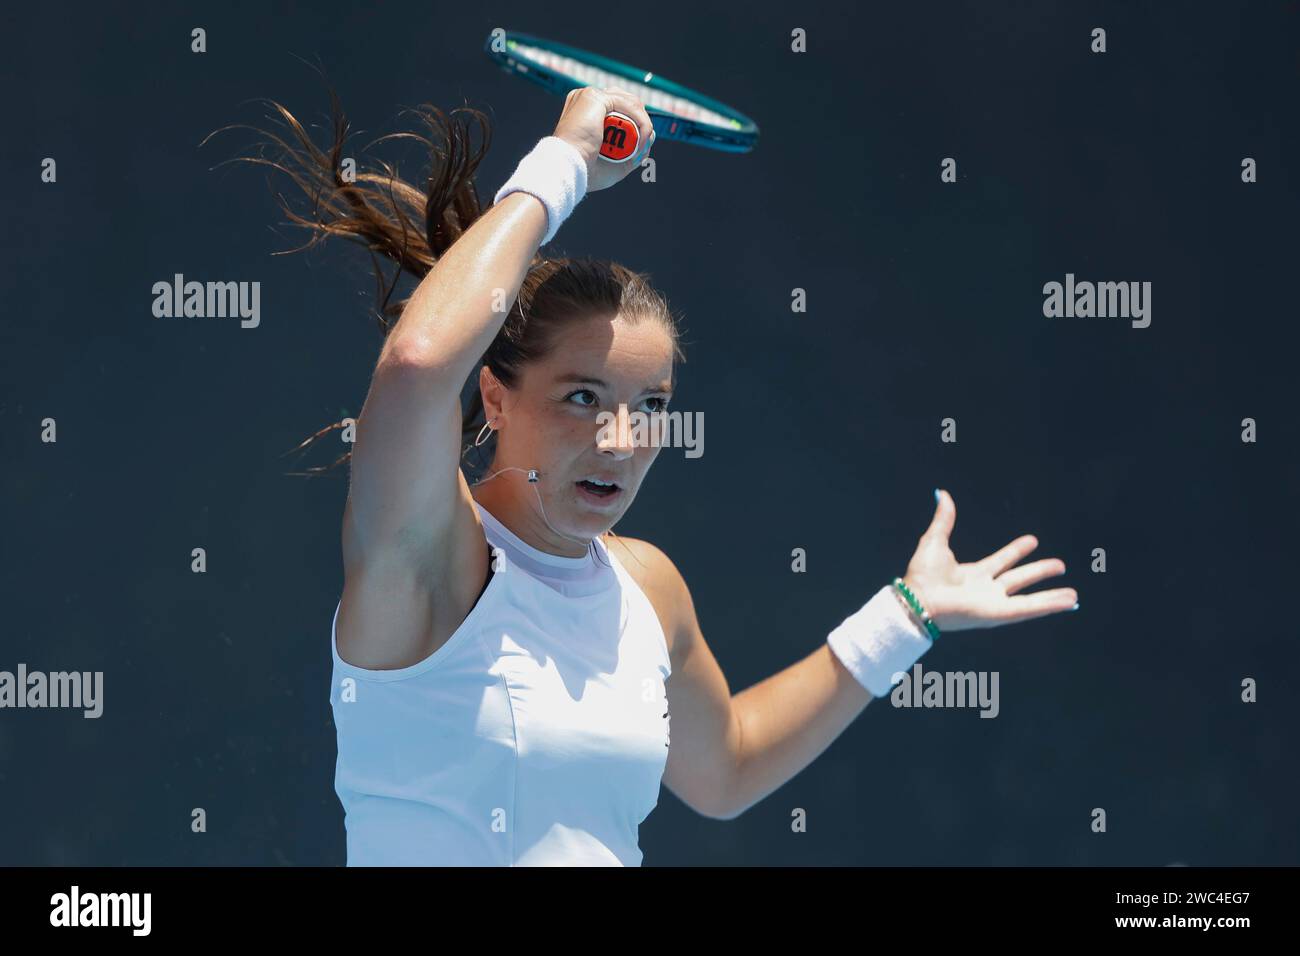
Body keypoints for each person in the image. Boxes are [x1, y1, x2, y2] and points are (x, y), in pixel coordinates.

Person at [228, 85, 1078, 865]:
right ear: (494, 395)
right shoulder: (432, 557)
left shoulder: (648, 588)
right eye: (584, 396)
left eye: (654, 405)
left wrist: (908, 617)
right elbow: (416, 363)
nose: (622, 438)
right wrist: (562, 164)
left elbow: (728, 769)